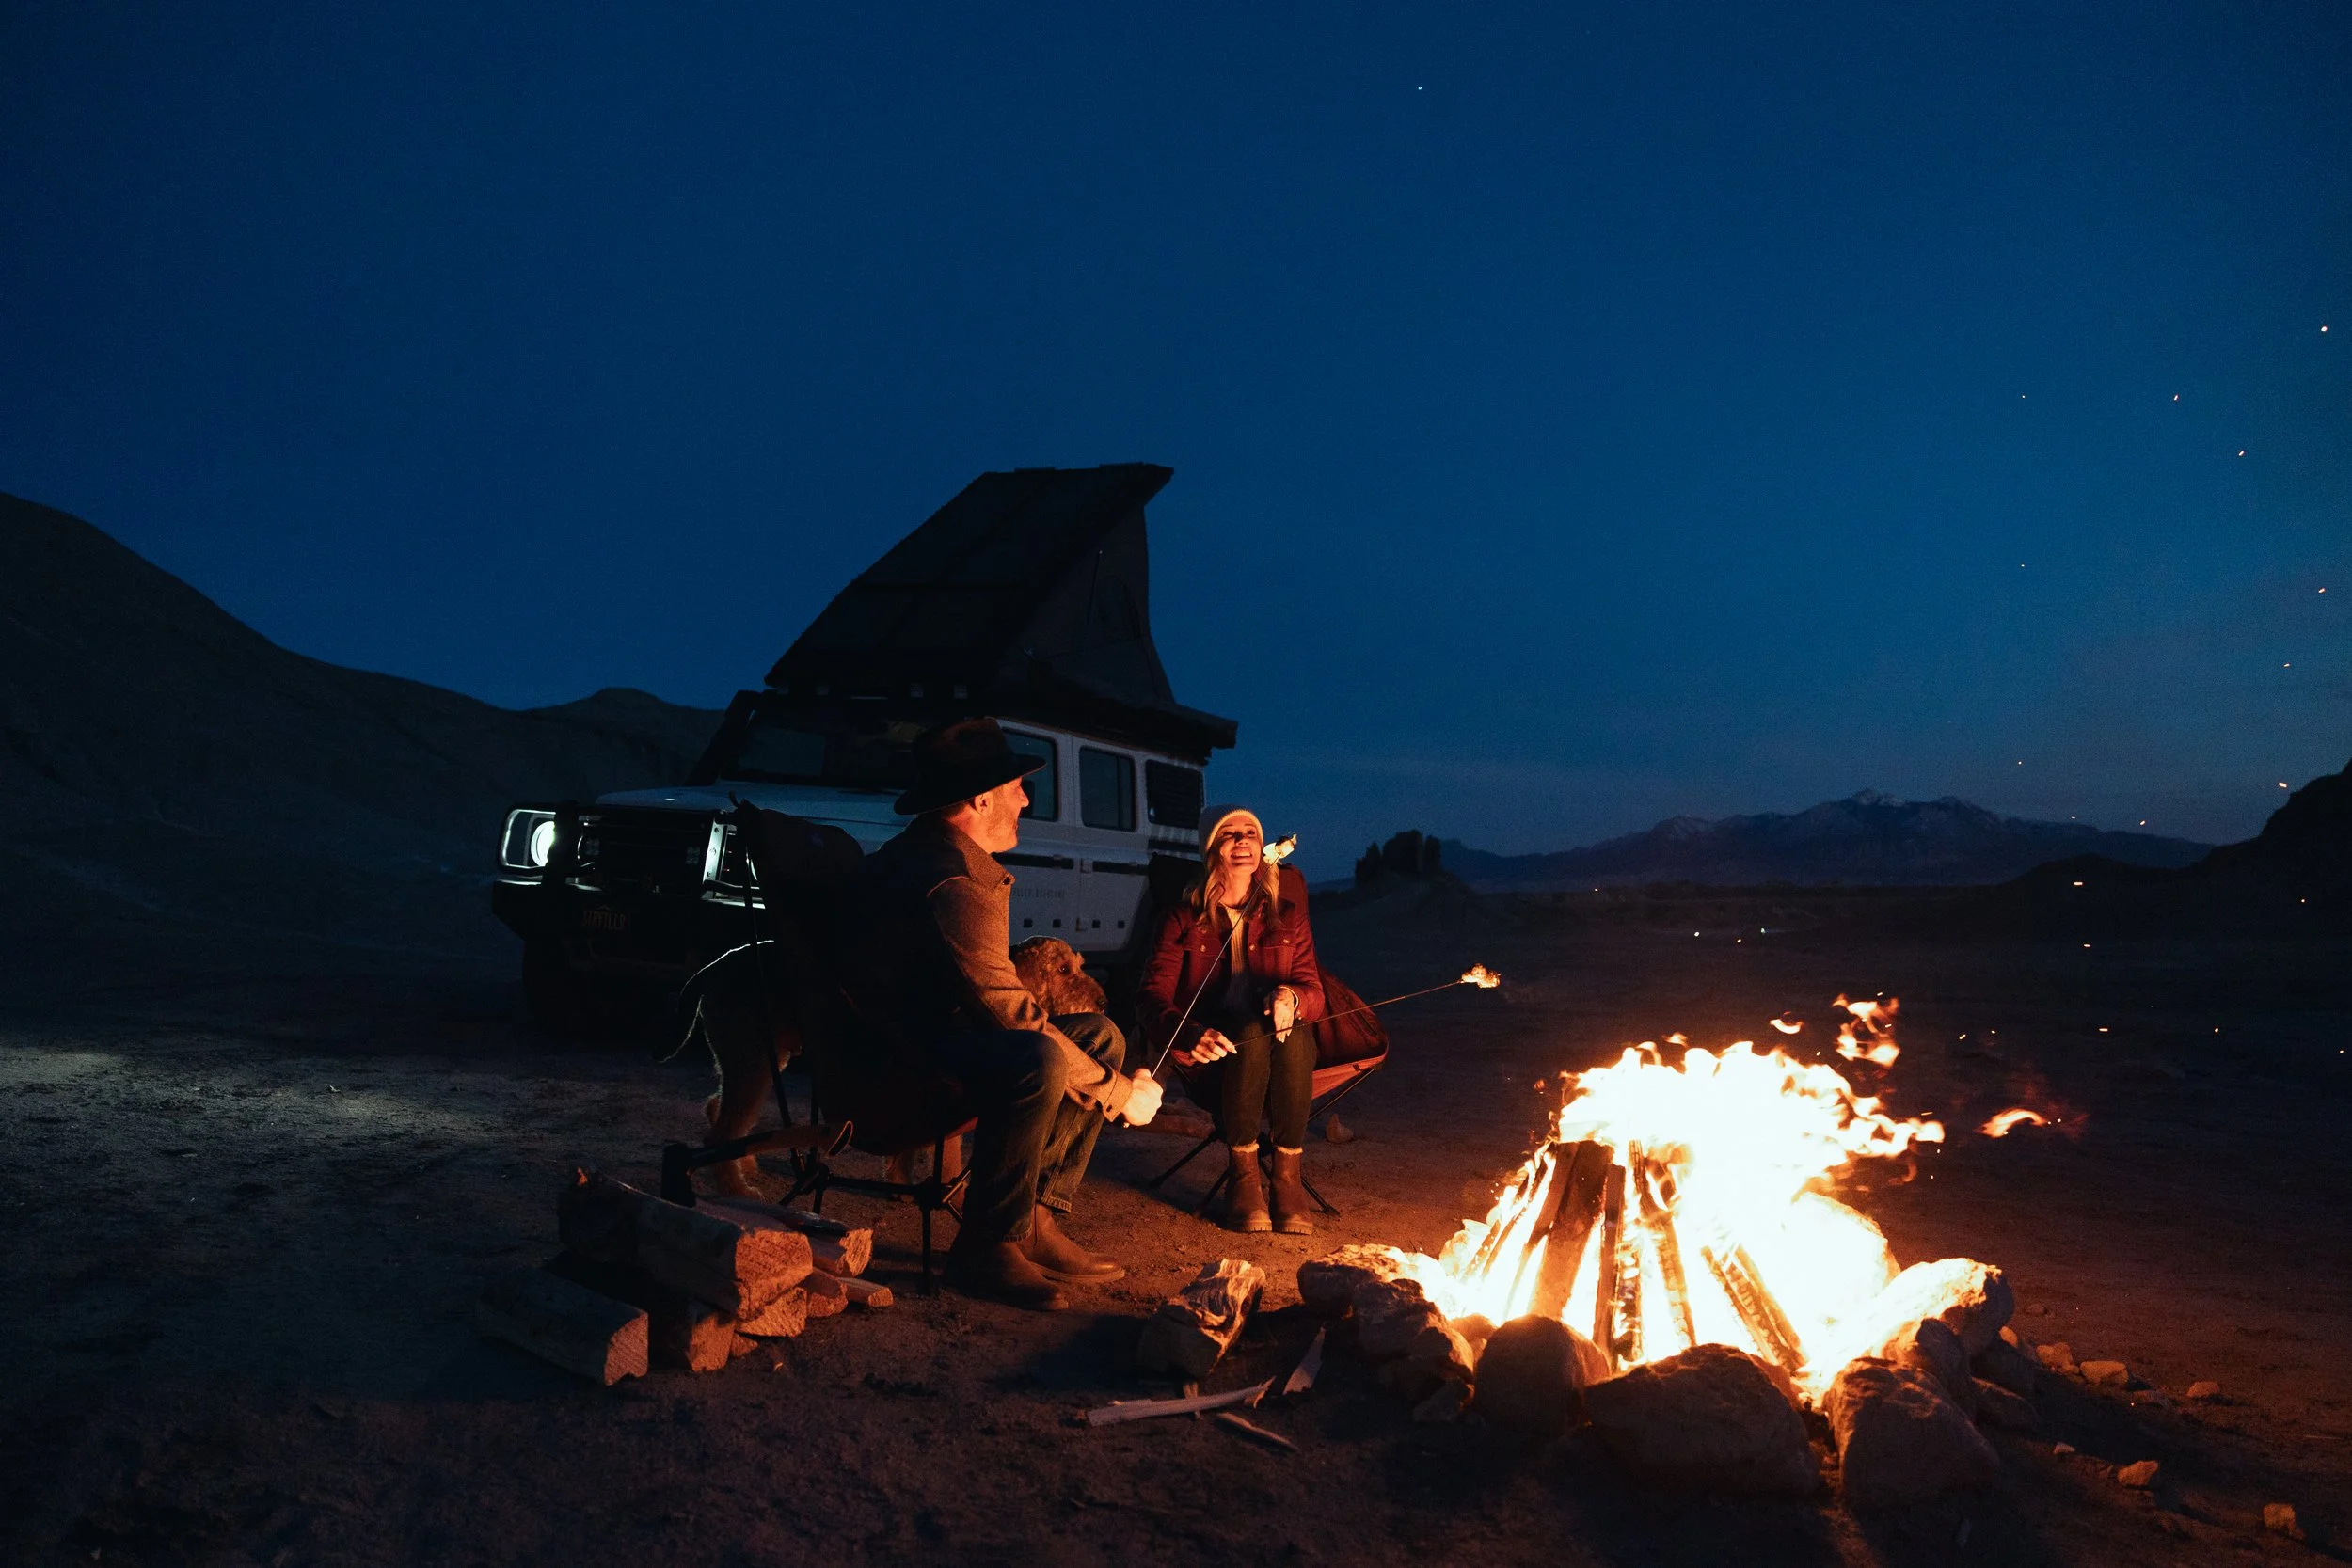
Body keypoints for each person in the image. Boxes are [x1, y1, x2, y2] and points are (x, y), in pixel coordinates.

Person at [834, 718, 1163, 1311]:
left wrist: (1102, 1075)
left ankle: (1033, 1216)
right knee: (1034, 1054)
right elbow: (1009, 1013)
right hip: (897, 1068)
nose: (1026, 798)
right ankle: (987, 1243)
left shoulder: (926, 854)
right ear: (980, 797)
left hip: (914, 1041)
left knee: (1098, 1034)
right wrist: (1117, 1094)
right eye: (1017, 786)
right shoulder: (953, 879)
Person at [1138, 805, 1327, 1234]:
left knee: (1293, 1032)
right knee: (1247, 1031)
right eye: (1230, 834)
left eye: (1250, 833)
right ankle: (1243, 1174)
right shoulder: (1182, 917)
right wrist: (1189, 1033)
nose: (1242, 841)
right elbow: (1150, 998)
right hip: (1215, 1055)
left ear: (1263, 847)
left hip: (1280, 1055)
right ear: (1211, 849)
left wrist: (1291, 995)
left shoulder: (1287, 913)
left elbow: (1313, 991)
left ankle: (1286, 1177)